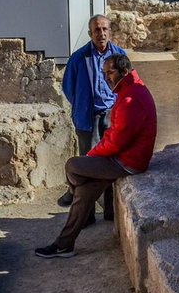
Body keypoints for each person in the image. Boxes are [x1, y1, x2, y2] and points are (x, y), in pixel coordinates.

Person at [35, 53, 157, 258]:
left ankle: (72, 193)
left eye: (111, 72)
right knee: (83, 193)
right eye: (105, 73)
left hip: (126, 162)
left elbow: (117, 142)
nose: (107, 77)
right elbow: (113, 133)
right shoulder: (129, 91)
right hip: (123, 158)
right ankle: (64, 245)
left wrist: (91, 155)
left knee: (73, 165)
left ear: (124, 71)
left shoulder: (130, 98)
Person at [59, 14, 127, 206]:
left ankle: (109, 210)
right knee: (87, 164)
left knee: (111, 163)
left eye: (105, 29)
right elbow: (68, 88)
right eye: (97, 30)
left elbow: (128, 84)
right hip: (87, 118)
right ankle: (85, 210)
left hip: (112, 115)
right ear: (90, 34)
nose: (101, 33)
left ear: (110, 31)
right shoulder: (79, 58)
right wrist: (82, 104)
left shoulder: (119, 56)